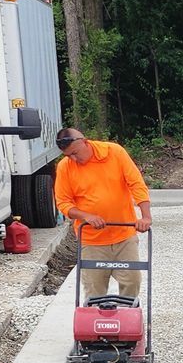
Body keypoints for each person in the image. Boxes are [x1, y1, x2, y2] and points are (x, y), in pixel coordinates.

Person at [53, 128, 152, 300]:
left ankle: (127, 319)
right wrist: (86, 216)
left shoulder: (114, 153)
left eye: (75, 153)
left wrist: (145, 217)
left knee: (132, 281)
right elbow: (63, 203)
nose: (74, 159)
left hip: (124, 236)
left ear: (84, 141)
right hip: (92, 240)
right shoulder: (65, 167)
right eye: (69, 156)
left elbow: (136, 184)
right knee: (94, 290)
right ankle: (96, 324)